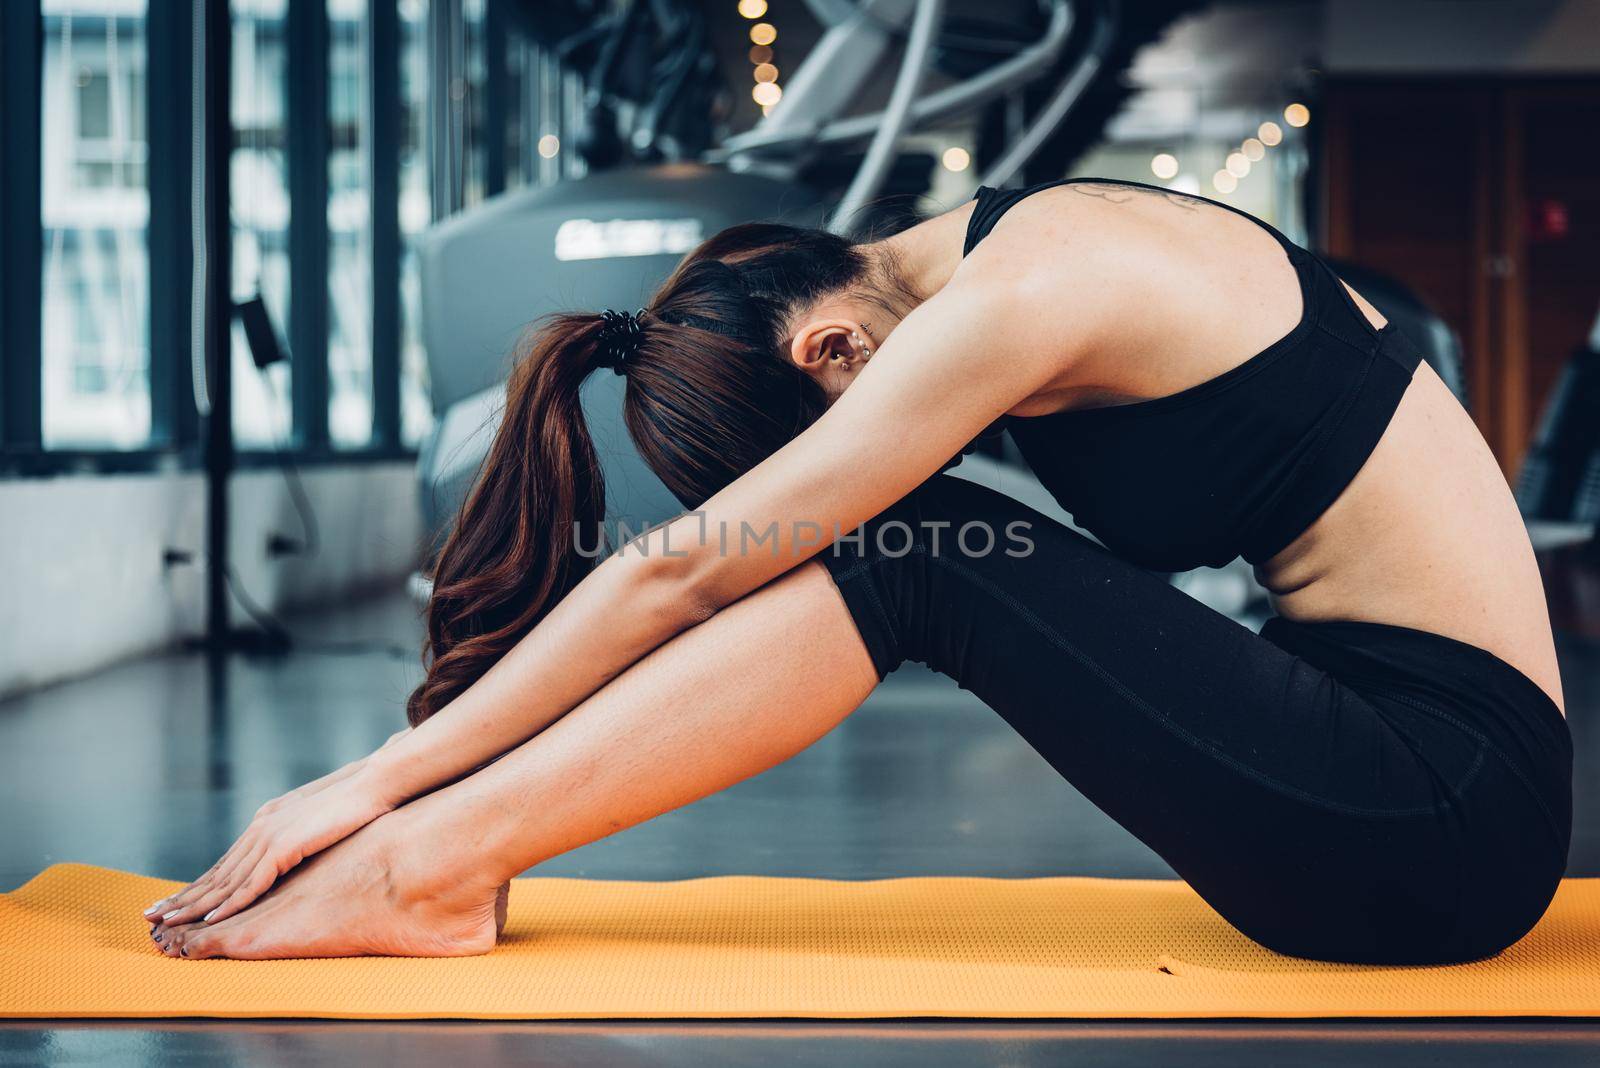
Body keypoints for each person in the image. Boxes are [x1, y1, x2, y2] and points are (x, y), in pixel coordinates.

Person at [143, 178, 1570, 965]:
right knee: (910, 538)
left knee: (910, 549)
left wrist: (380, 782)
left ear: (833, 351)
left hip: (1441, 818)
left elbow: (680, 578)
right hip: (1367, 776)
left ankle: (428, 869)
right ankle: (436, 856)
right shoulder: (1012, 243)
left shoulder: (1027, 297)